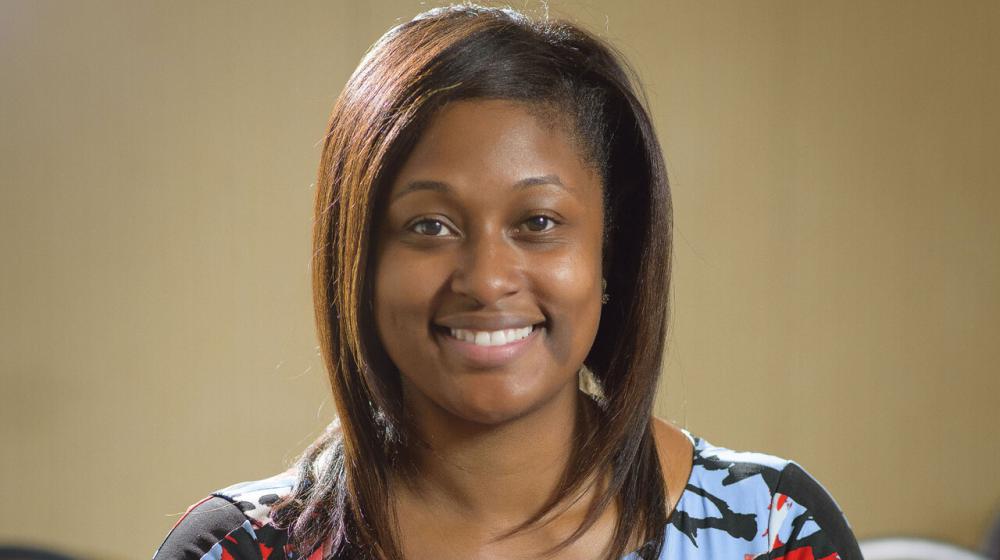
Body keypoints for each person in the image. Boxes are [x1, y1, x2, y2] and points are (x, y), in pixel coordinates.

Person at [153, 5, 861, 560]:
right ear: (359, 263)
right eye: (429, 226)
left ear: (611, 254)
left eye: (539, 222)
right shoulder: (239, 549)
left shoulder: (772, 532)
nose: (487, 280)